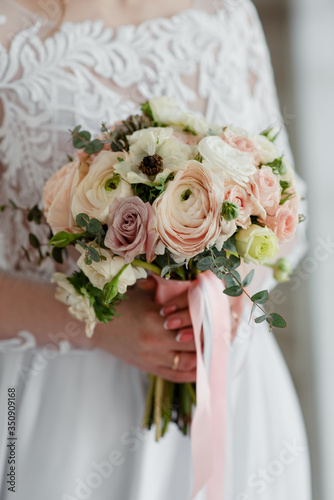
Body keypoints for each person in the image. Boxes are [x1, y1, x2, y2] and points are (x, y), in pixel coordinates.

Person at [0, 0, 312, 499]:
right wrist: (97, 324)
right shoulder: (8, 29)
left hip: (234, 385)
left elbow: (290, 211)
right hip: (70, 402)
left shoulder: (226, 11)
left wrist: (232, 290)